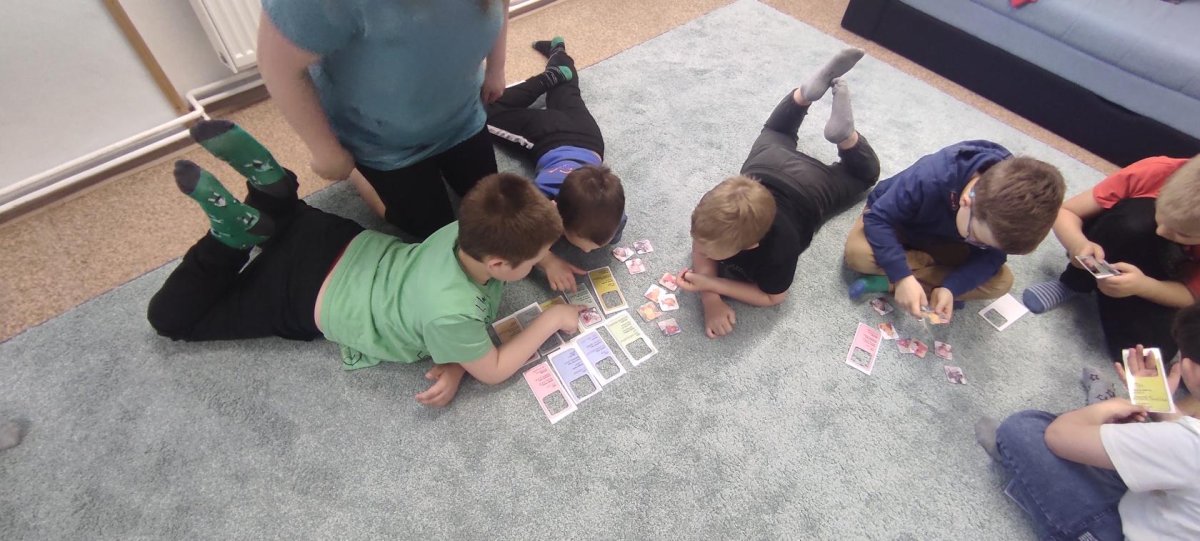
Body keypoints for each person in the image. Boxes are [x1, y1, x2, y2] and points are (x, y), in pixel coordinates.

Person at [147, 121, 583, 407]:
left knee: (284, 222)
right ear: (499, 263)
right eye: (532, 261)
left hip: (331, 237)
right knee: (171, 319)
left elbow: (449, 326)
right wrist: (552, 318)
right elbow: (494, 370)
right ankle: (226, 241)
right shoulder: (453, 315)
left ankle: (272, 191)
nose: (536, 265)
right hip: (305, 292)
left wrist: (455, 360)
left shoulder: (466, 227)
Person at [257, 0, 512, 238]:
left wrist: (496, 67)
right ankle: (361, 176)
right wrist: (327, 151)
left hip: (461, 114)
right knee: (431, 233)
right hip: (381, 142)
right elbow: (277, 66)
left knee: (499, 209)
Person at [677, 48, 881, 338]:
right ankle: (822, 112)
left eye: (710, 250)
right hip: (765, 166)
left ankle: (813, 105)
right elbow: (702, 244)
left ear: (750, 247)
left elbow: (773, 297)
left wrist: (711, 287)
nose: (698, 248)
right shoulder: (710, 213)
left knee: (862, 176)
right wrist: (710, 299)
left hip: (809, 188)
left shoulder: (779, 249)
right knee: (776, 132)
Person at [974, 304, 1200, 540]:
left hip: (1118, 530)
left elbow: (1058, 436)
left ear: (1189, 369)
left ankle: (1024, 480)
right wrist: (1158, 403)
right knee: (1114, 440)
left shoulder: (1188, 445)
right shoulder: (1187, 442)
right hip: (1159, 504)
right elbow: (1184, 446)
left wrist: (1108, 408)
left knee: (1021, 429)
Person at [843, 139, 1066, 321]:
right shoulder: (932, 176)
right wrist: (901, 276)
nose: (980, 244)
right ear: (967, 201)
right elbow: (878, 217)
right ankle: (912, 276)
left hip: (945, 241)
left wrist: (951, 288)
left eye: (985, 244)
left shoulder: (999, 219)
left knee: (1002, 282)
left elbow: (991, 258)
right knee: (857, 255)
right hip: (898, 225)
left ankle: (892, 280)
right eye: (976, 237)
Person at [1022, 155, 1200, 361]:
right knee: (1134, 220)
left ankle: (1114, 296)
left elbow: (1193, 296)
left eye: (1182, 233)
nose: (1161, 231)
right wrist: (1077, 244)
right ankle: (1074, 283)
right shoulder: (1156, 171)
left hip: (1166, 278)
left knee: (1153, 355)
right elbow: (1066, 212)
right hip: (1117, 238)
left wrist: (1143, 287)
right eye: (1160, 213)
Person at [485, 37, 626, 293]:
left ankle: (558, 51)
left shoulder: (615, 215)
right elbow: (514, 233)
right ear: (557, 215)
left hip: (587, 136)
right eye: (585, 245)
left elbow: (613, 224)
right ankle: (546, 79)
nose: (587, 252)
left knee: (568, 88)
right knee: (486, 111)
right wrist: (548, 261)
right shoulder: (542, 196)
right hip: (548, 135)